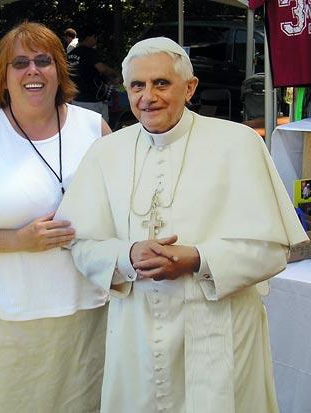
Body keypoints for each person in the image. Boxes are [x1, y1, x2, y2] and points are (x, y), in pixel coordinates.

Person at [56, 37, 309, 413]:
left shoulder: (238, 144)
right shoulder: (106, 153)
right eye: (137, 86)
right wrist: (127, 254)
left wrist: (197, 258)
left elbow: (273, 248)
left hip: (220, 327)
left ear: (189, 87)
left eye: (161, 83)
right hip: (137, 330)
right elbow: (80, 243)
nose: (148, 97)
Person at [0, 21, 111, 413]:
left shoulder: (94, 128)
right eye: (20, 63)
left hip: (86, 316)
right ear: (4, 77)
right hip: (3, 321)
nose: (33, 70)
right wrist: (17, 241)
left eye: (43, 61)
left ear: (59, 71)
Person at [67, 26, 119, 123]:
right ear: (88, 37)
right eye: (95, 37)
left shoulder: (70, 54)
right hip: (92, 99)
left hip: (75, 99)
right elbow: (101, 68)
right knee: (99, 129)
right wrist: (114, 74)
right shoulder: (89, 52)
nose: (96, 40)